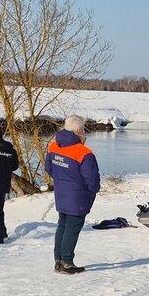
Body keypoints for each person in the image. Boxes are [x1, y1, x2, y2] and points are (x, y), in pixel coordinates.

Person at [45, 115, 100, 274]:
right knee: (72, 228)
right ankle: (67, 262)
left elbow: (49, 168)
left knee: (62, 226)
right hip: (78, 196)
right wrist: (92, 190)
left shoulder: (54, 145)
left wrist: (62, 179)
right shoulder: (83, 152)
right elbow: (92, 178)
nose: (84, 133)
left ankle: (58, 260)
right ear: (77, 131)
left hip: (62, 193)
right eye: (83, 129)